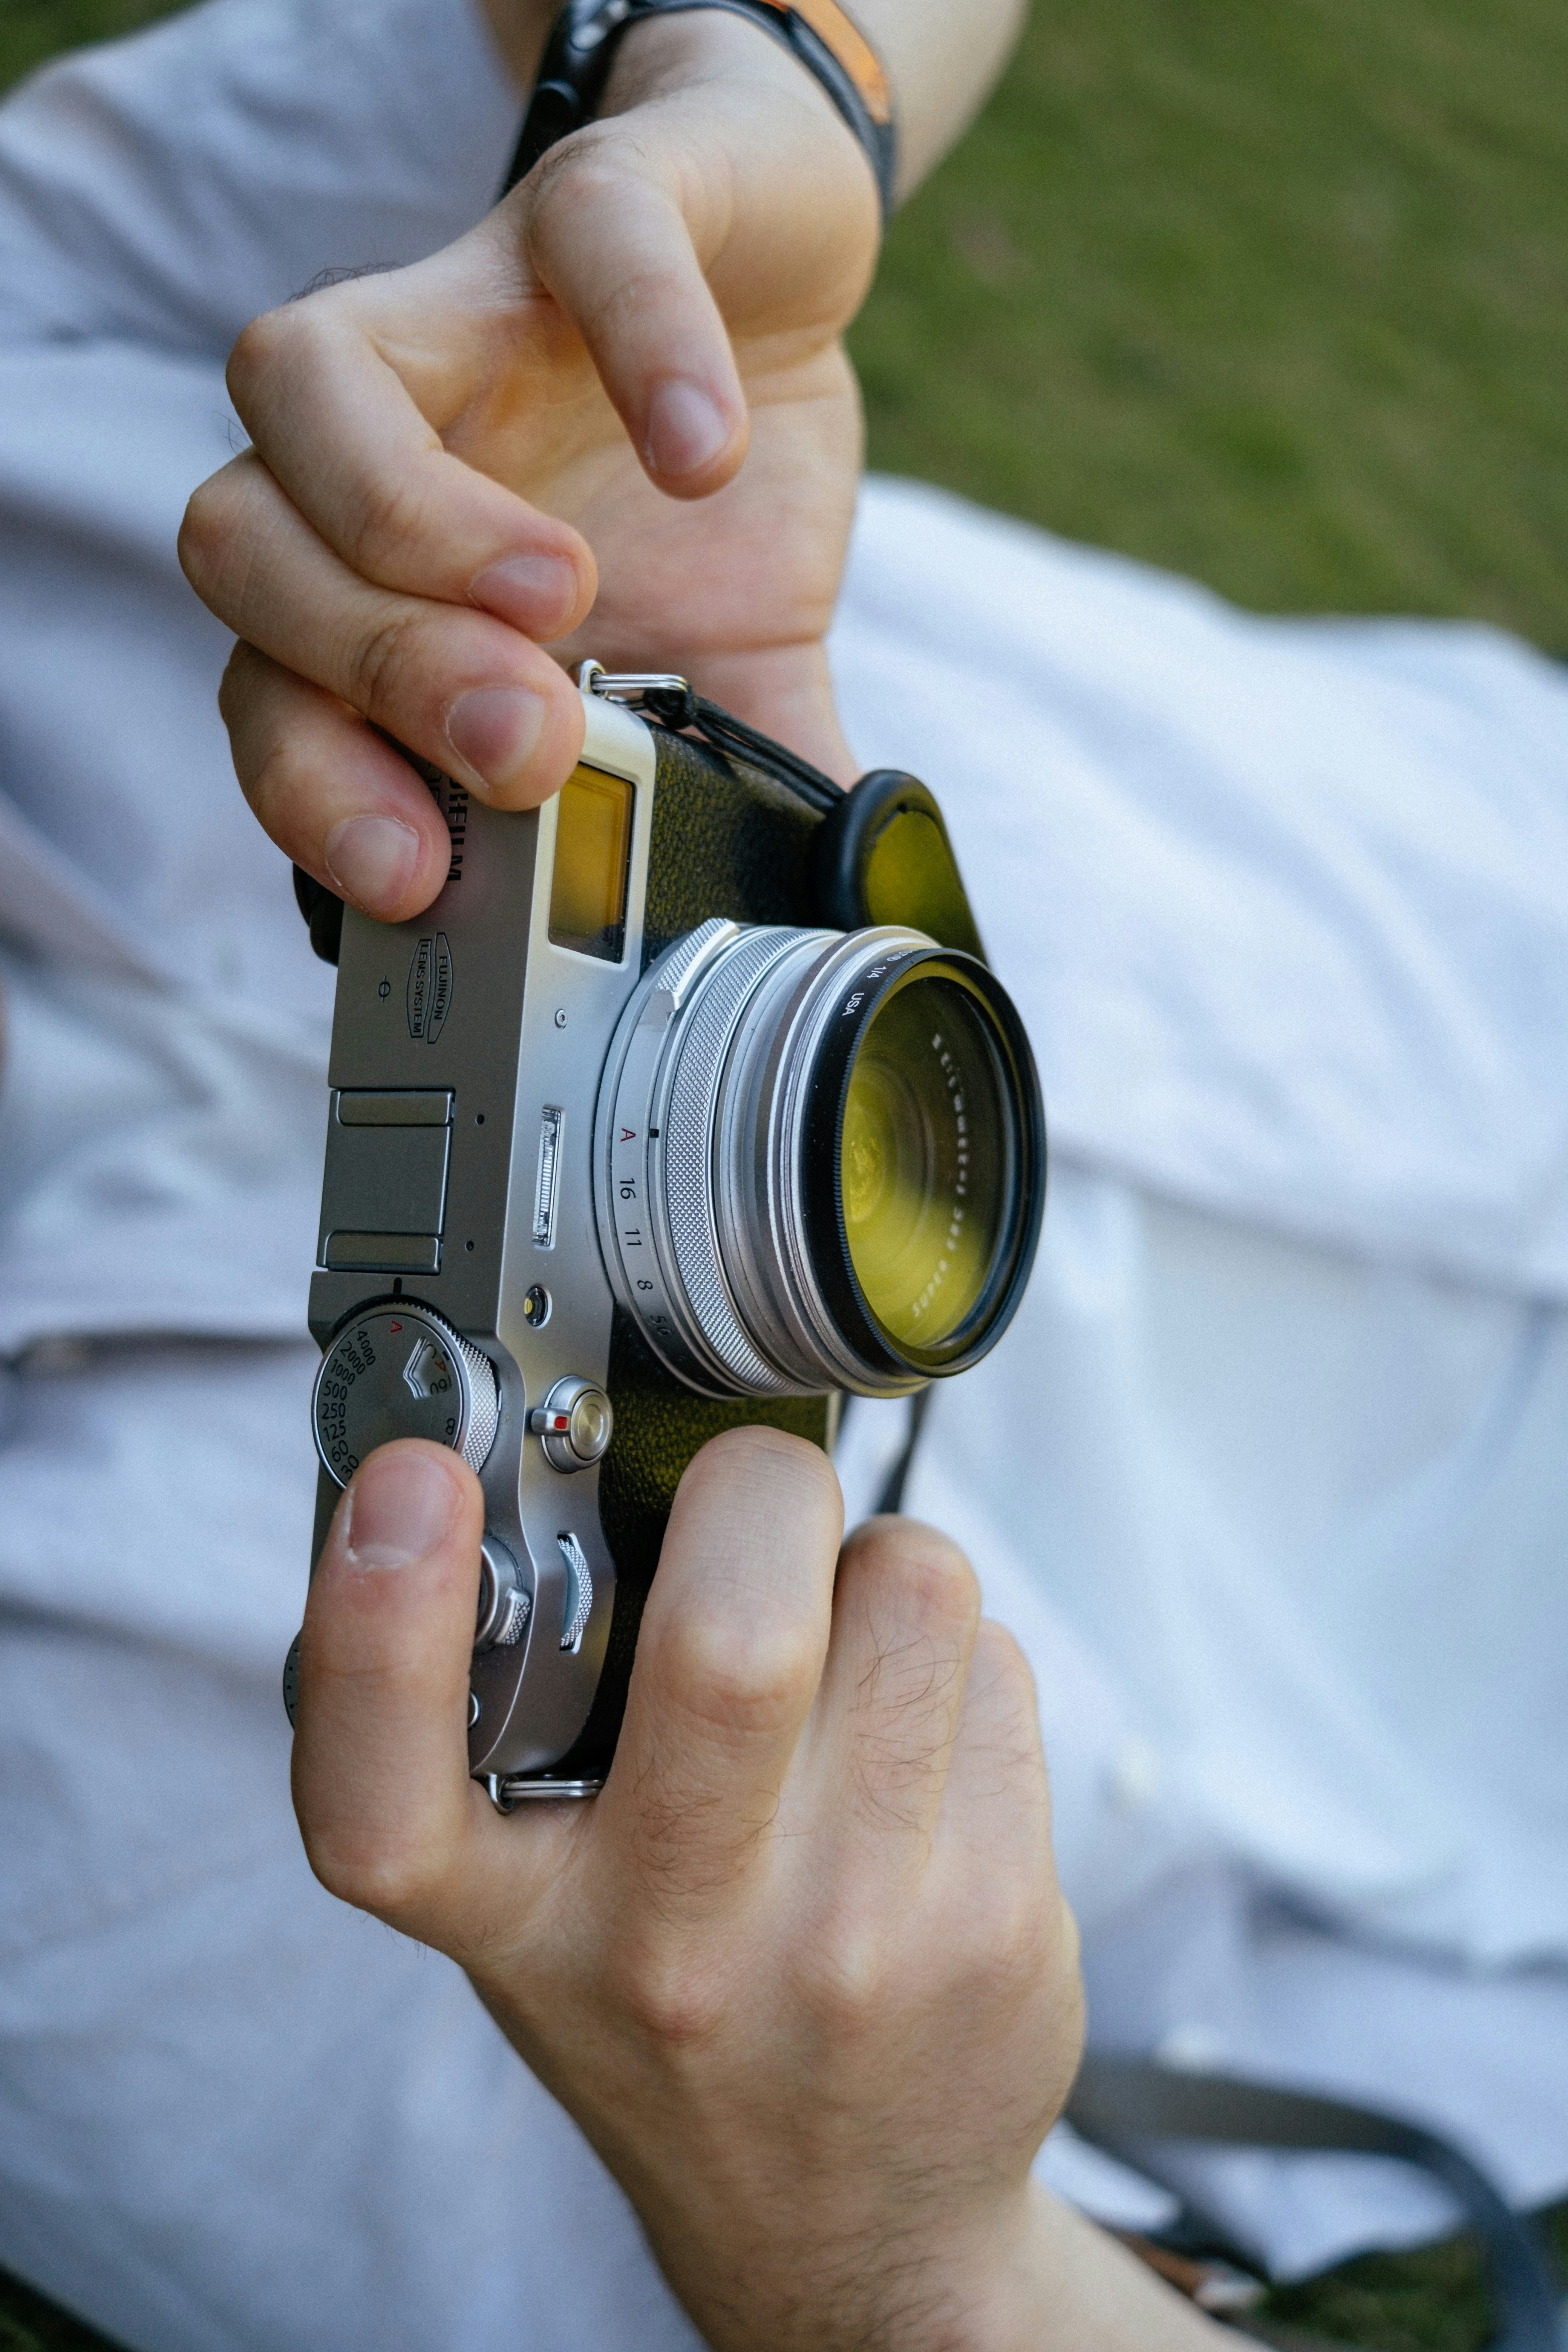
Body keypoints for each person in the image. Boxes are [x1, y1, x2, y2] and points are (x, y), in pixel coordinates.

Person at [3, 1, 1567, 2347]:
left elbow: (709, 116)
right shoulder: (91, 1915)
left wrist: (754, 84)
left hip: (1471, 890)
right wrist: (901, 2269)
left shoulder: (45, 363)